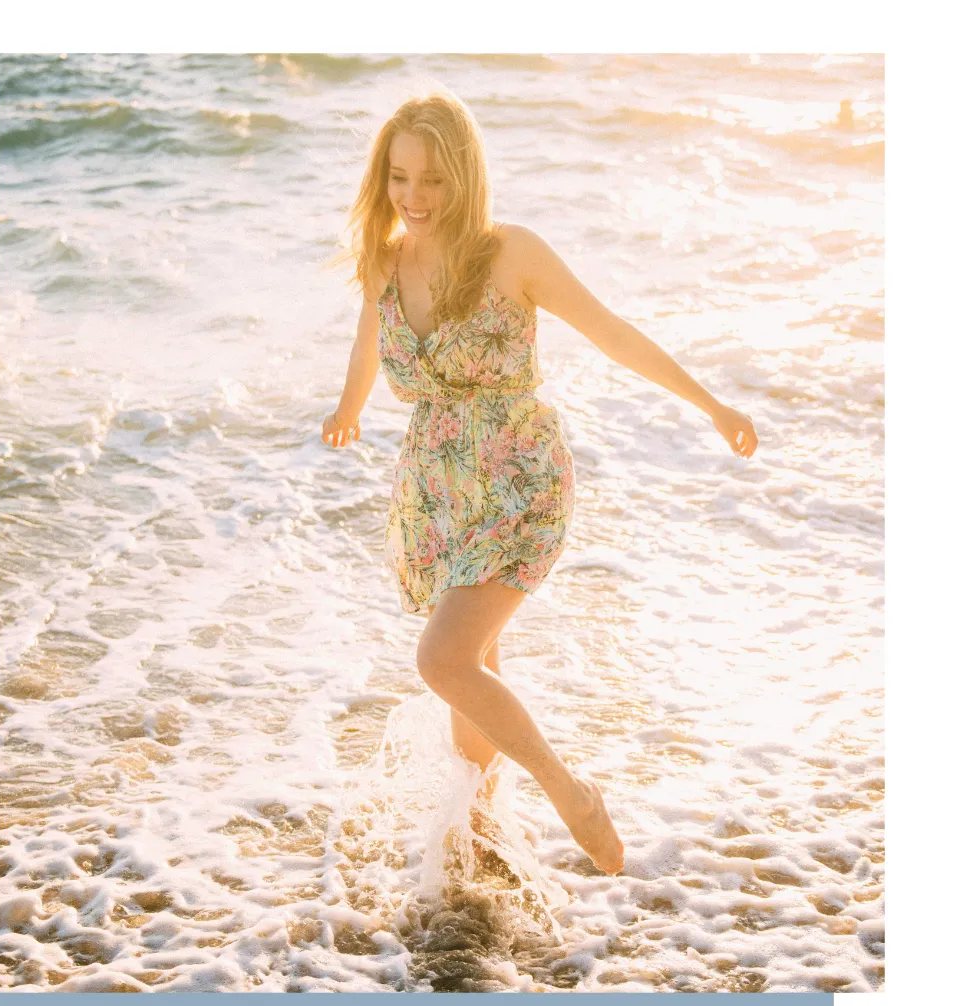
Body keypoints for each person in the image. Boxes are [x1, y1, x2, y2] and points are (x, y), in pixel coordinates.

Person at [321, 91, 758, 876]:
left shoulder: (509, 252)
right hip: (440, 485)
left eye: (432, 181)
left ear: (465, 177)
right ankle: (481, 837)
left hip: (518, 476)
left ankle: (568, 793)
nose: (413, 199)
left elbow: (610, 331)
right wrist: (346, 407)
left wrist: (711, 404)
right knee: (476, 665)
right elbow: (366, 348)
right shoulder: (384, 259)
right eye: (398, 178)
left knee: (442, 659)